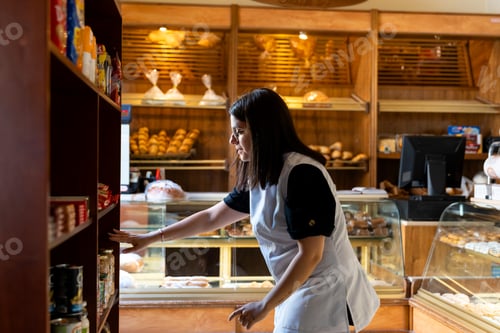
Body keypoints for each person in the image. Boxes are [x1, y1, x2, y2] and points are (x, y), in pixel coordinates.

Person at [110, 87, 379, 332]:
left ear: (263, 132)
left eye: (239, 131)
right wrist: (150, 238)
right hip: (297, 288)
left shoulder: (302, 174)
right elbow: (212, 217)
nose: (232, 140)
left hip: (325, 293)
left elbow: (311, 255)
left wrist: (264, 305)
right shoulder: (264, 173)